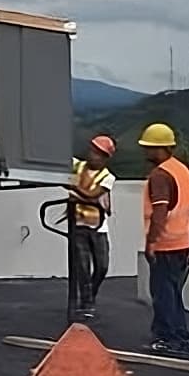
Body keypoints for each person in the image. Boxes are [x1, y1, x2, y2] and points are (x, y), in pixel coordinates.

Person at [139, 122, 189, 355]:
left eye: (148, 147)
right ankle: (178, 336)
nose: (145, 152)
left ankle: (169, 339)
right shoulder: (181, 169)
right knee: (172, 293)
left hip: (166, 244)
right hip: (183, 241)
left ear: (159, 149)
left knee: (163, 294)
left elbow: (160, 211)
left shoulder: (160, 175)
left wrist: (151, 242)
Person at [67, 135, 117, 321]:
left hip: (98, 226)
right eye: (93, 151)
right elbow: (60, 164)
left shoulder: (108, 178)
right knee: (82, 266)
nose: (94, 156)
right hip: (79, 224)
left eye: (99, 154)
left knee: (102, 266)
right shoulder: (78, 166)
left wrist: (73, 189)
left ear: (105, 158)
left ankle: (90, 295)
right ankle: (86, 303)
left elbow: (92, 194)